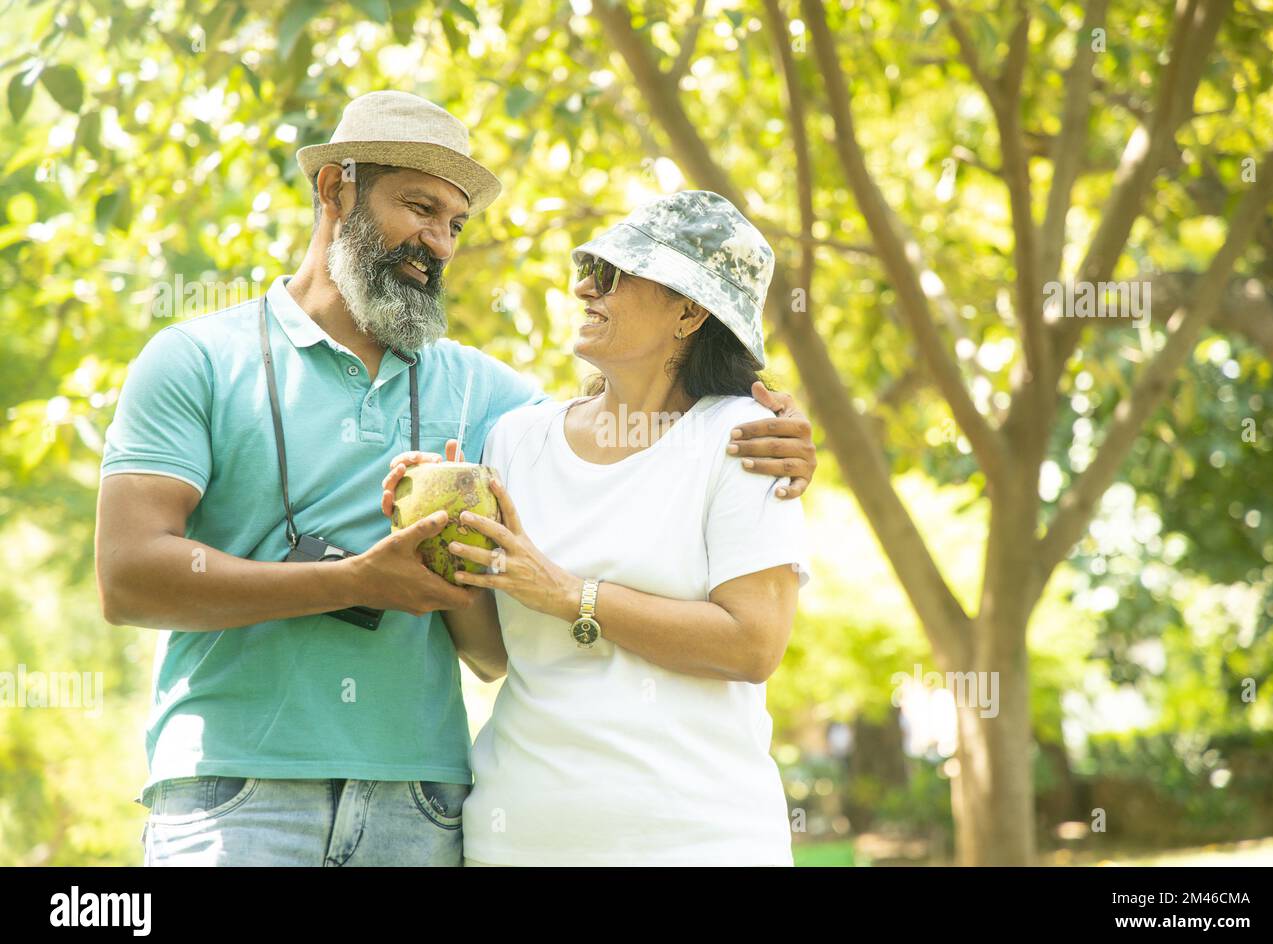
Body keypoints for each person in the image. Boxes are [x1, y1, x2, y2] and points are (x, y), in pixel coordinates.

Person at [95, 90, 818, 866]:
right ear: (335, 189)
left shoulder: (493, 402)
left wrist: (777, 433)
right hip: (235, 795)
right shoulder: (194, 359)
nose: (438, 242)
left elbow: (629, 447)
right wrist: (357, 582)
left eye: (455, 223)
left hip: (426, 805)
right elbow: (129, 579)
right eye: (419, 207)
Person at [384, 191, 809, 865]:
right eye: (588, 266)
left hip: (702, 845)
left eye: (612, 274)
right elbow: (495, 657)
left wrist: (569, 594)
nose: (584, 286)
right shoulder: (516, 439)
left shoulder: (745, 440)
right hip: (518, 842)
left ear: (689, 311)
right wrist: (446, 546)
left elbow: (752, 645)